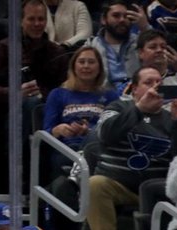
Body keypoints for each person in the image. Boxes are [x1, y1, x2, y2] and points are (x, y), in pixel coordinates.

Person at [88, 66, 177, 230]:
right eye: (148, 83)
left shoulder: (170, 117)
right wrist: (138, 109)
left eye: (158, 83)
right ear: (134, 89)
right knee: (95, 185)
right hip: (119, 184)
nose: (154, 87)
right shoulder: (116, 107)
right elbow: (105, 135)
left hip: (157, 188)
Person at [0, 0, 69, 145]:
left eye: (41, 19)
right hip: (9, 110)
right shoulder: (3, 48)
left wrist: (43, 93)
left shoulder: (57, 52)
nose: (37, 24)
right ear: (21, 20)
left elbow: (64, 87)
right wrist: (15, 93)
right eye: (31, 19)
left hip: (47, 108)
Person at [42, 46, 120, 174]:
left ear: (99, 68)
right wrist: (58, 130)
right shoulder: (57, 94)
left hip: (99, 149)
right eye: (82, 61)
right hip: (67, 148)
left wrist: (89, 132)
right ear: (73, 66)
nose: (86, 66)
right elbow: (46, 132)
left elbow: (115, 129)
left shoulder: (110, 95)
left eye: (91, 62)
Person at [122, 28, 177, 105]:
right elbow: (126, 108)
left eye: (163, 47)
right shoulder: (135, 82)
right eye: (153, 47)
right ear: (141, 53)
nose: (159, 50)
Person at [85, 1, 144, 91]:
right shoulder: (91, 46)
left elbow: (159, 60)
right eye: (116, 16)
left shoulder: (140, 43)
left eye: (125, 16)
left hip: (136, 97)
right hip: (102, 98)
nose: (122, 20)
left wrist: (145, 27)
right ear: (103, 19)